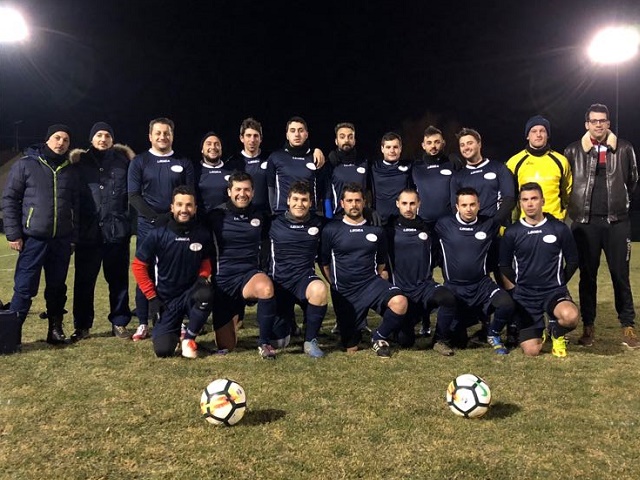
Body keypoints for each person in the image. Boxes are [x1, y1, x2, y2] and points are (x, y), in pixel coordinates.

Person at [565, 103, 639, 348]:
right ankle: (588, 327)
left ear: (608, 123)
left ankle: (627, 326)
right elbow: (567, 185)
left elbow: (632, 180)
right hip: (585, 224)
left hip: (617, 223)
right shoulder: (573, 151)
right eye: (594, 120)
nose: (598, 124)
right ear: (586, 124)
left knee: (621, 275)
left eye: (603, 120)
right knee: (588, 277)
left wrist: (620, 205)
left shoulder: (625, 148)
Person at [2, 124, 79, 345]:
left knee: (57, 287)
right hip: (33, 239)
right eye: (57, 138)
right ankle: (11, 335)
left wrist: (73, 236)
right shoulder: (26, 165)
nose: (61, 143)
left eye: (65, 140)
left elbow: (77, 206)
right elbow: (9, 199)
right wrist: (13, 233)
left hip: (61, 240)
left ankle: (54, 331)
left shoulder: (70, 170)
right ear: (47, 139)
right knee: (24, 288)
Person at [320, 183, 408, 357]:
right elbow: (324, 264)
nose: (354, 205)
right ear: (342, 203)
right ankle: (352, 330)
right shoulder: (331, 229)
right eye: (350, 201)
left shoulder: (376, 230)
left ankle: (378, 336)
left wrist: (375, 278)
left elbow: (381, 262)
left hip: (370, 284)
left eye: (357, 201)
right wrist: (335, 284)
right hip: (344, 291)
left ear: (364, 203)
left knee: (400, 302)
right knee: (351, 347)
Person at [127, 117, 194, 341]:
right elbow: (134, 195)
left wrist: (171, 217)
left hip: (176, 226)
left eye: (166, 133)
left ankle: (178, 319)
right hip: (149, 226)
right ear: (150, 136)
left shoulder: (183, 161)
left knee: (176, 274)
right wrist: (154, 218)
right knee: (145, 271)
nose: (162, 137)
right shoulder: (140, 161)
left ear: (172, 136)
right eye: (158, 133)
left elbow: (189, 193)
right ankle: (143, 322)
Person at [68, 122, 133, 341]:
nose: (103, 139)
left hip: (117, 232)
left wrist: (126, 223)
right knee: (84, 281)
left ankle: (120, 322)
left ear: (112, 139)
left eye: (107, 135)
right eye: (98, 135)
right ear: (91, 139)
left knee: (118, 280)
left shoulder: (124, 163)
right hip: (89, 233)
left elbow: (130, 198)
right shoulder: (80, 164)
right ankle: (82, 325)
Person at [132, 185, 213, 358]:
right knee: (163, 351)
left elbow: (206, 261)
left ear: (195, 208)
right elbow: (138, 266)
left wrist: (202, 277)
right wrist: (152, 297)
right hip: (166, 299)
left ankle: (188, 338)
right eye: (180, 205)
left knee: (206, 294)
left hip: (191, 294)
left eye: (189, 205)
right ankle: (174, 331)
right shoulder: (157, 234)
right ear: (172, 207)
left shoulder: (202, 234)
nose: (184, 210)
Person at [499, 182, 579, 357]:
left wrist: (560, 280)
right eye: (525, 200)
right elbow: (504, 265)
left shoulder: (559, 228)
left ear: (542, 201)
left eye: (534, 199)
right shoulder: (513, 232)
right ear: (520, 203)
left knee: (570, 316)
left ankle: (556, 332)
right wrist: (519, 284)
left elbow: (573, 260)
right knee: (531, 351)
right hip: (525, 296)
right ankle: (540, 330)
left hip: (553, 292)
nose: (529, 204)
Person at [208, 172, 280, 359]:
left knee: (265, 288)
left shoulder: (260, 216)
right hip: (223, 281)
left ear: (253, 192)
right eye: (238, 189)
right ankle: (231, 319)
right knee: (227, 346)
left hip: (249, 276)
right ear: (229, 191)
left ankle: (264, 343)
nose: (242, 193)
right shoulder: (215, 215)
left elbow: (268, 243)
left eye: (247, 189)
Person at [435, 187, 514, 355]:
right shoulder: (443, 224)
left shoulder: (488, 224)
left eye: (472, 204)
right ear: (457, 206)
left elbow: (510, 214)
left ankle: (492, 333)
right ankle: (444, 336)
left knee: (506, 303)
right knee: (458, 341)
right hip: (454, 288)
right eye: (464, 205)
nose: (468, 209)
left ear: (479, 205)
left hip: (481, 285)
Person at [385, 188, 457, 355]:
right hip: (401, 293)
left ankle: (439, 340)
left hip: (424, 288)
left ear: (419, 204)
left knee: (447, 297)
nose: (408, 208)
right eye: (404, 203)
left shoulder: (429, 229)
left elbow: (438, 256)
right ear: (397, 204)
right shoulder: (388, 229)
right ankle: (402, 325)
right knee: (406, 342)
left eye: (412, 203)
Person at [268, 180, 328, 358]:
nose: (299, 204)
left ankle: (310, 340)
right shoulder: (272, 222)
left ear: (310, 203)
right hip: (279, 284)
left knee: (320, 290)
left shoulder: (319, 223)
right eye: (295, 199)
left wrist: (368, 212)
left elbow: (344, 222)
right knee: (278, 343)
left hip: (304, 281)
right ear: (288, 200)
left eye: (304, 200)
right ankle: (289, 324)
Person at [506, 115, 572, 220]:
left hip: (555, 221)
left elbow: (567, 193)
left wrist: (563, 216)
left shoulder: (561, 161)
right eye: (533, 131)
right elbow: (508, 197)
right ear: (527, 136)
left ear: (548, 135)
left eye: (542, 131)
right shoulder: (514, 162)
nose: (538, 135)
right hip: (526, 223)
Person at [266, 116, 325, 214]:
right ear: (287, 135)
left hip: (309, 215)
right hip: (282, 214)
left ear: (306, 134)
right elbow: (270, 187)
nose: (297, 134)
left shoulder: (315, 157)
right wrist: (274, 212)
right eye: (292, 131)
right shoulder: (275, 157)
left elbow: (322, 189)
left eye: (300, 130)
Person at [323, 122, 369, 217]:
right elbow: (327, 195)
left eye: (350, 137)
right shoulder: (330, 164)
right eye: (342, 137)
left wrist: (370, 210)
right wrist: (328, 219)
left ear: (354, 140)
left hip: (361, 217)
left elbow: (370, 192)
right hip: (338, 218)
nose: (346, 140)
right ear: (336, 141)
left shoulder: (364, 163)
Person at [369, 132, 411, 224]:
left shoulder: (410, 166)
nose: (392, 151)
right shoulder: (373, 167)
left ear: (400, 149)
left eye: (395, 147)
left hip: (403, 222)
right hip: (379, 222)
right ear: (382, 149)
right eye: (388, 147)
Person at [195, 132, 235, 214]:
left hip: (227, 220)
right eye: (208, 144)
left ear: (221, 148)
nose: (213, 147)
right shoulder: (195, 171)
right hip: (202, 220)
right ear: (202, 149)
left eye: (217, 144)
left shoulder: (232, 171)